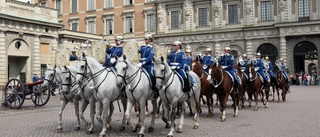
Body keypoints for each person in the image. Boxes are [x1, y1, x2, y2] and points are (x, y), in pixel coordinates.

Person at [137, 33, 158, 98]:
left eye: (146, 39)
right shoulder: (142, 47)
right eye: (145, 39)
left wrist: (143, 63)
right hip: (141, 65)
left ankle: (154, 90)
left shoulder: (152, 48)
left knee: (152, 75)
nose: (145, 40)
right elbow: (134, 51)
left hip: (149, 65)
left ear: (150, 40)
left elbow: (149, 58)